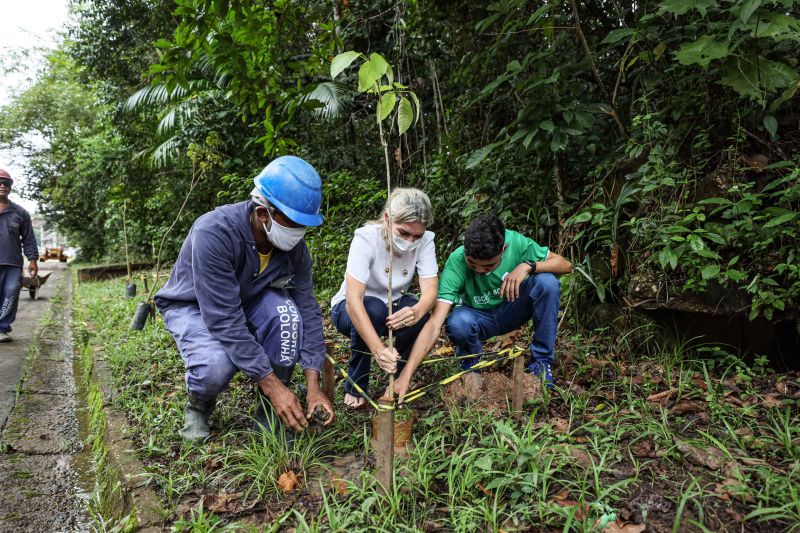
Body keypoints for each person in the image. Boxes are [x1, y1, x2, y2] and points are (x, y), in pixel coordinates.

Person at [155, 156, 334, 442]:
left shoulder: (295, 250)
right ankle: (199, 404)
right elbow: (224, 318)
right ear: (263, 213)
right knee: (215, 365)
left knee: (287, 316)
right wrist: (270, 383)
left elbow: (309, 311)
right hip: (194, 306)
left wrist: (314, 387)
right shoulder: (214, 232)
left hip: (248, 298)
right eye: (293, 223)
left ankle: (271, 415)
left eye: (304, 225)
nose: (299, 233)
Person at [391, 214, 572, 401]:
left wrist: (528, 266)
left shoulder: (516, 243)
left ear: (504, 249)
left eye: (488, 267)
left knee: (547, 283)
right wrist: (406, 374)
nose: (479, 271)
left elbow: (566, 265)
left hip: (512, 308)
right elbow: (435, 324)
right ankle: (470, 361)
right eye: (473, 264)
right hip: (477, 318)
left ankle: (541, 362)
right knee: (457, 322)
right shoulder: (456, 261)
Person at [331, 188, 438, 409]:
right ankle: (356, 383)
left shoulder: (426, 240)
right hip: (351, 310)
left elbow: (430, 292)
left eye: (417, 235)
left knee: (416, 311)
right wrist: (379, 349)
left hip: (393, 306)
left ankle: (399, 380)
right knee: (373, 309)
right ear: (388, 219)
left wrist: (417, 311)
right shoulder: (366, 238)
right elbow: (354, 301)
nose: (410, 241)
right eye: (403, 233)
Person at [0, 169, 39, 343]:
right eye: (0, 183)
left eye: (6, 183)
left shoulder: (20, 213)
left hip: (12, 263)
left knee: (11, 293)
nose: (2, 186)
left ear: (10, 187)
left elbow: (29, 239)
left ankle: (2, 328)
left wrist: (32, 260)